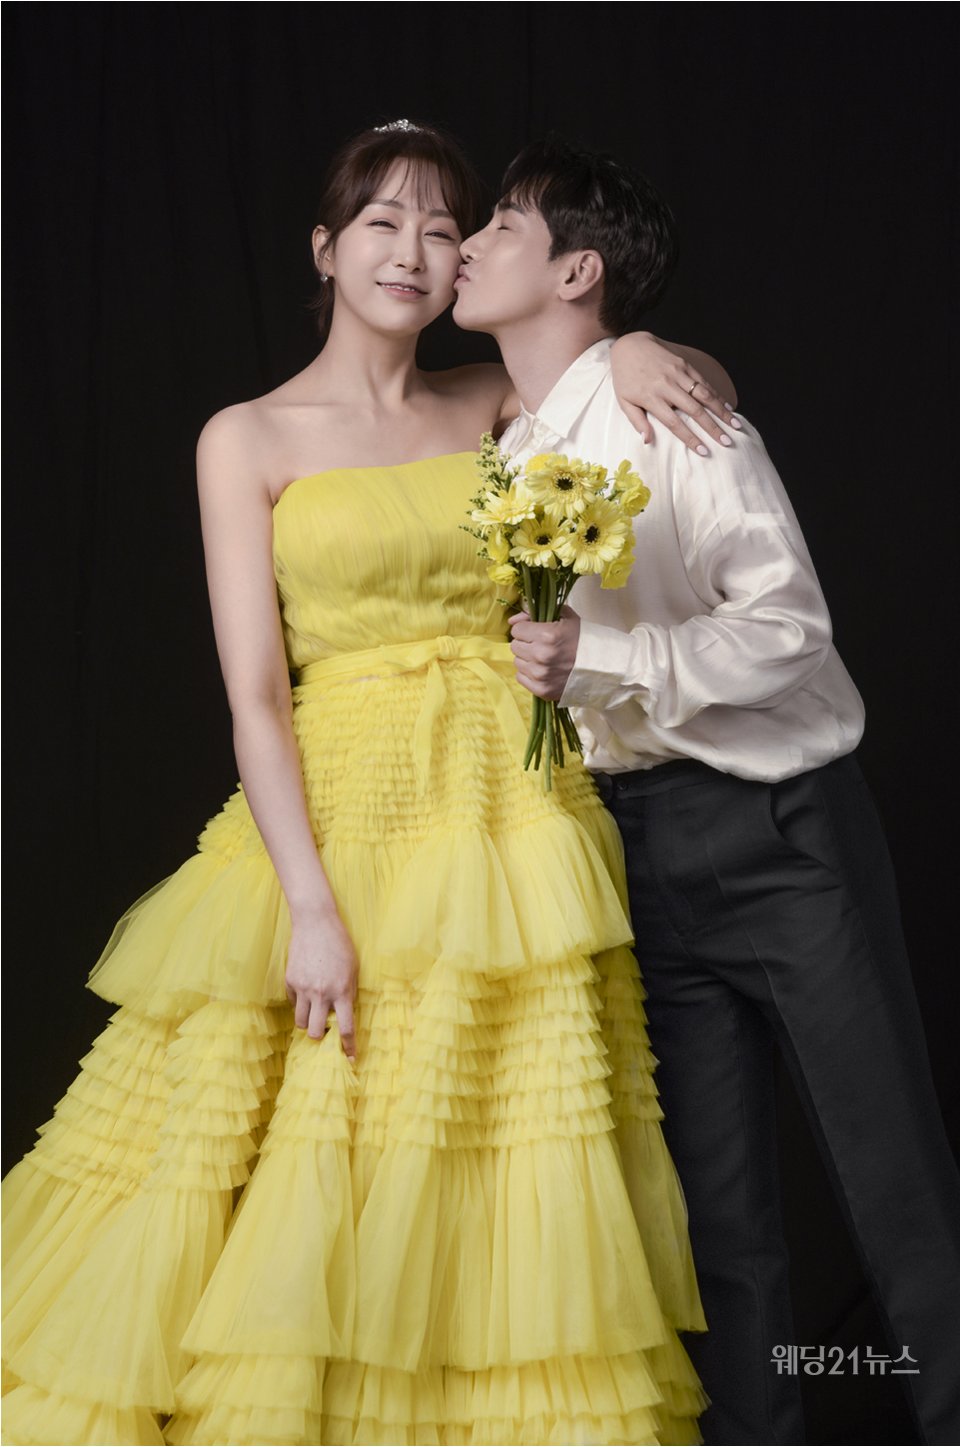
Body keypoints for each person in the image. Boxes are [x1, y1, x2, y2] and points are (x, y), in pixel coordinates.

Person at [1, 120, 742, 1446]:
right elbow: (255, 696)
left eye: (445, 228)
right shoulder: (246, 437)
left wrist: (632, 347)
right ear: (326, 249)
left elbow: (682, 400)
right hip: (340, 816)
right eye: (384, 224)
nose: (414, 251)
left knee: (486, 1130)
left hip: (508, 816)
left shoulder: (495, 400)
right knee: (304, 1131)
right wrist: (308, 905)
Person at [452, 136, 959, 1447]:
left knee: (893, 1178)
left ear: (576, 270)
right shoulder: (502, 443)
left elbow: (790, 627)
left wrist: (603, 658)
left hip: (781, 831)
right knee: (713, 1216)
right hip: (630, 850)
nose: (466, 242)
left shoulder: (667, 411)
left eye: (499, 224)